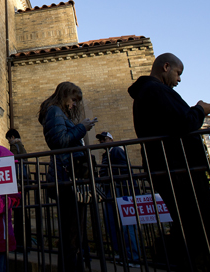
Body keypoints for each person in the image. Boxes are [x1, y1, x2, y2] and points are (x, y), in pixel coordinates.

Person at [128, 53, 210, 271]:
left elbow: (171, 123)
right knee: (196, 226)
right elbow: (183, 124)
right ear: (166, 67)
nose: (179, 80)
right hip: (179, 169)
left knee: (189, 226)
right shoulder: (156, 90)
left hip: (170, 168)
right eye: (178, 73)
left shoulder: (147, 93)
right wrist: (200, 109)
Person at [38, 81, 97, 272]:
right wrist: (81, 128)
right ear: (64, 95)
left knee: (75, 233)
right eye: (73, 100)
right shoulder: (54, 111)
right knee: (71, 233)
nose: (74, 105)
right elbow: (59, 141)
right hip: (67, 176)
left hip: (70, 177)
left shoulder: (58, 112)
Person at [96, 131, 140, 266]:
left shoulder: (116, 150)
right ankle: (120, 254)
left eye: (104, 139)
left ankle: (133, 257)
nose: (102, 142)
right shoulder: (107, 153)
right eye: (101, 140)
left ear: (110, 139)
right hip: (110, 189)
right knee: (113, 224)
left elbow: (125, 169)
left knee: (126, 224)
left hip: (120, 189)